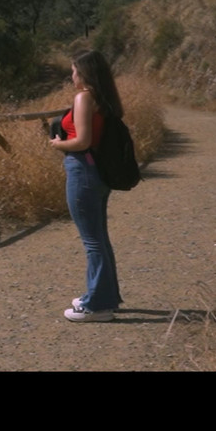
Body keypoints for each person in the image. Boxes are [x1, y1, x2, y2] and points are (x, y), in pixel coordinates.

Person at [48, 50, 124, 322]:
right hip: (98, 172)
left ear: (84, 72)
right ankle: (105, 296)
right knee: (99, 238)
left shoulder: (84, 97)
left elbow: (82, 141)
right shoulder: (103, 98)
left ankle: (97, 305)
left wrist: (58, 144)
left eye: (74, 70)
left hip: (82, 169)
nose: (71, 75)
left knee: (92, 241)